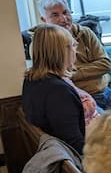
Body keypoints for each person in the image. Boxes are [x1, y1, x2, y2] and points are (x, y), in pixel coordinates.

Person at [35, 0, 111, 109]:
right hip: (80, 97)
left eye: (65, 12)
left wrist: (72, 73)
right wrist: (91, 69)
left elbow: (106, 64)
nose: (64, 19)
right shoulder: (43, 43)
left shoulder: (86, 33)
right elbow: (56, 78)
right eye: (55, 15)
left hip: (106, 91)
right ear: (44, 20)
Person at [22, 24, 86, 153]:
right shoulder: (58, 91)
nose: (76, 48)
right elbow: (74, 142)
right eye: (72, 45)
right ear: (61, 52)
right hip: (75, 159)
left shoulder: (31, 78)